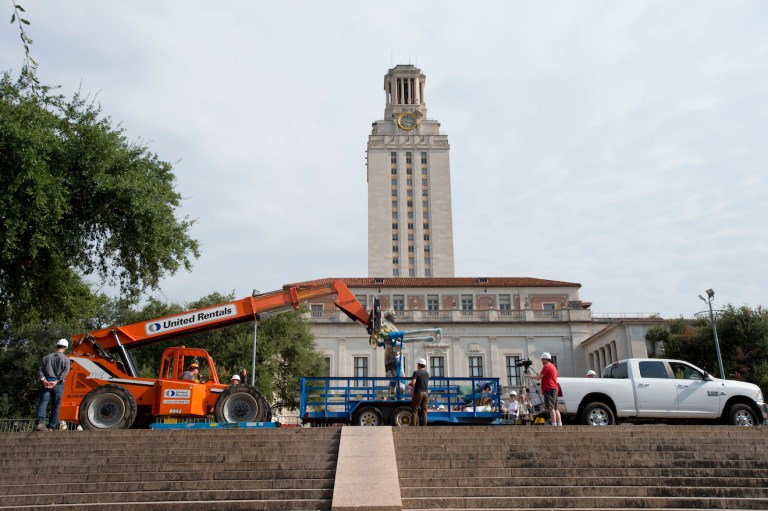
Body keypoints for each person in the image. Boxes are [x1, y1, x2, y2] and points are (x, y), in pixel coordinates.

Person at [35, 339, 71, 432]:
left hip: (46, 384)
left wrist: (44, 380)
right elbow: (65, 372)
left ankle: (40, 423)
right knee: (56, 405)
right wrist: (55, 382)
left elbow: (40, 370)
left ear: (57, 346)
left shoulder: (46, 357)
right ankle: (51, 426)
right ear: (65, 347)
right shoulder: (66, 359)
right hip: (58, 384)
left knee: (43, 403)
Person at [527, 352, 562, 426]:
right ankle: (559, 423)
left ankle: (554, 424)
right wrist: (540, 375)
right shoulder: (553, 366)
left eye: (542, 360)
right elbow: (546, 376)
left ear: (545, 359)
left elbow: (538, 378)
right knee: (556, 408)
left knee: (551, 408)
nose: (542, 361)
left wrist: (529, 376)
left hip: (549, 388)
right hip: (554, 388)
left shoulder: (546, 366)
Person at [409, 357, 430, 426]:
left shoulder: (416, 372)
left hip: (418, 392)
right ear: (424, 365)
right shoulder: (427, 373)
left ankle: (413, 426)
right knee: (424, 410)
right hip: (426, 393)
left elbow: (413, 383)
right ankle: (424, 426)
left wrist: (412, 386)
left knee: (415, 409)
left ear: (418, 365)